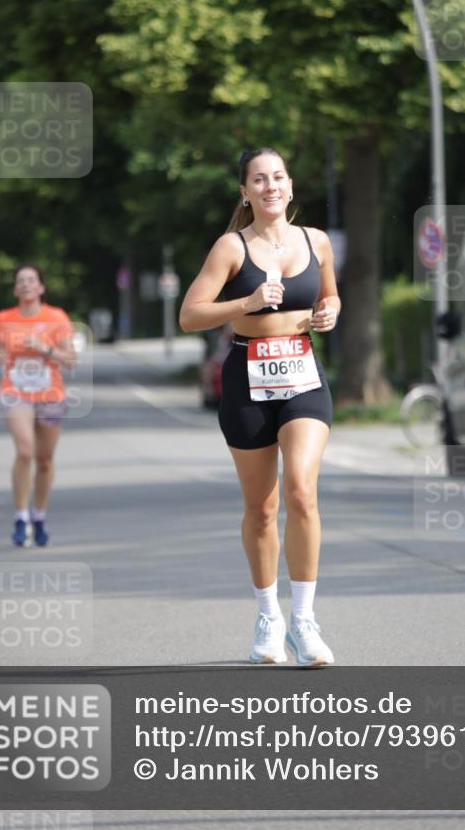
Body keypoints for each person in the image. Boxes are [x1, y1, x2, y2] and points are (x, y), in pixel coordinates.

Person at [179, 148, 340, 667]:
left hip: (303, 375)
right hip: (247, 377)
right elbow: (190, 315)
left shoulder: (317, 241)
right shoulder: (231, 247)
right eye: (258, 180)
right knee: (262, 509)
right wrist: (244, 304)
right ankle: (269, 617)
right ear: (245, 192)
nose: (270, 186)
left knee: (302, 491)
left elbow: (330, 296)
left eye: (278, 177)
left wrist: (330, 311)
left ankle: (305, 622)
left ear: (290, 186)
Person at [0, 265, 76, 547]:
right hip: (16, 391)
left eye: (31, 280)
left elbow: (71, 359)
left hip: (50, 393)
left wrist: (43, 348)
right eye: (21, 281)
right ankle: (20, 516)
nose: (26, 284)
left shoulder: (56, 317)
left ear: (41, 287)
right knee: (25, 451)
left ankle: (39, 515)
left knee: (45, 460)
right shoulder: (5, 318)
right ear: (16, 289)